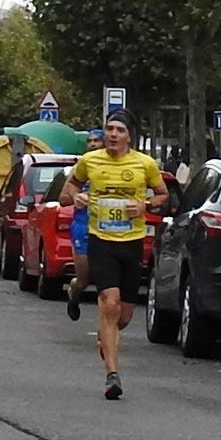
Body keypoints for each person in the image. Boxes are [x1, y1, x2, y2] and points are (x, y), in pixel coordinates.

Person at [59, 110, 170, 400]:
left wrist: (146, 205)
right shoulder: (90, 161)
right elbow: (67, 189)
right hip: (101, 240)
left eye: (119, 130)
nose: (113, 134)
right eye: (109, 128)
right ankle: (112, 375)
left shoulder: (145, 164)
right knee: (110, 301)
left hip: (131, 242)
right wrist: (76, 196)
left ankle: (105, 336)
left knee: (122, 317)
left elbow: (162, 195)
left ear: (129, 135)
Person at [66, 129, 105, 321]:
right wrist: (77, 196)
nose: (92, 144)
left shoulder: (112, 168)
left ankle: (105, 326)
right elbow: (64, 197)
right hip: (83, 226)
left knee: (105, 282)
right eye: (89, 141)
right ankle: (74, 294)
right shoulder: (80, 168)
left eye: (97, 140)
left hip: (108, 228)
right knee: (84, 279)